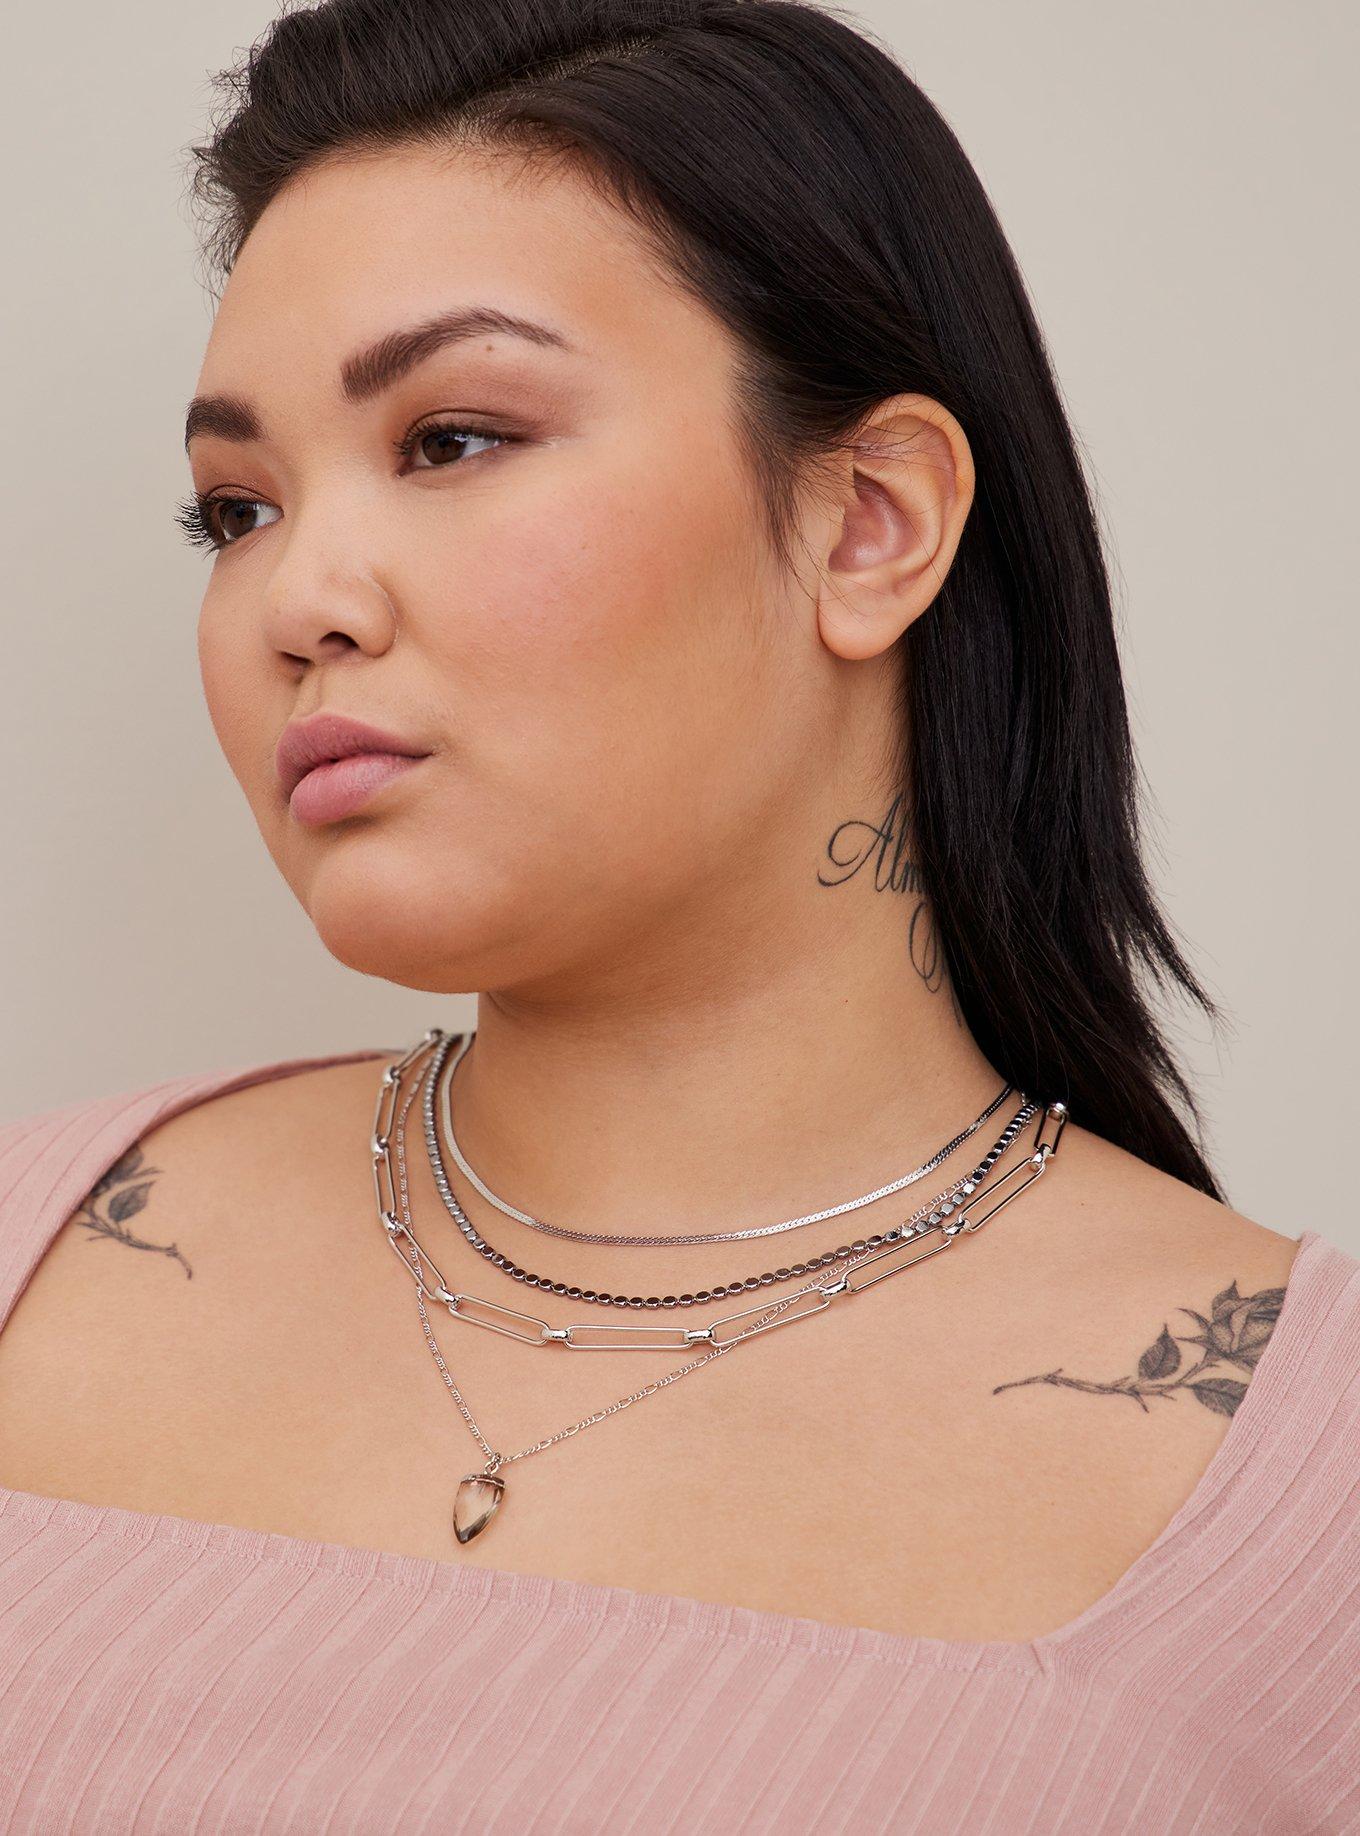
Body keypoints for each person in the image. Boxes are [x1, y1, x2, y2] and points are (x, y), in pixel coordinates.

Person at [1, 0, 1356, 1829]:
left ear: (871, 523)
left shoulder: (1306, 1493)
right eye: (234, 510)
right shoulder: (31, 1248)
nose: (299, 596)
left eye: (453, 438)